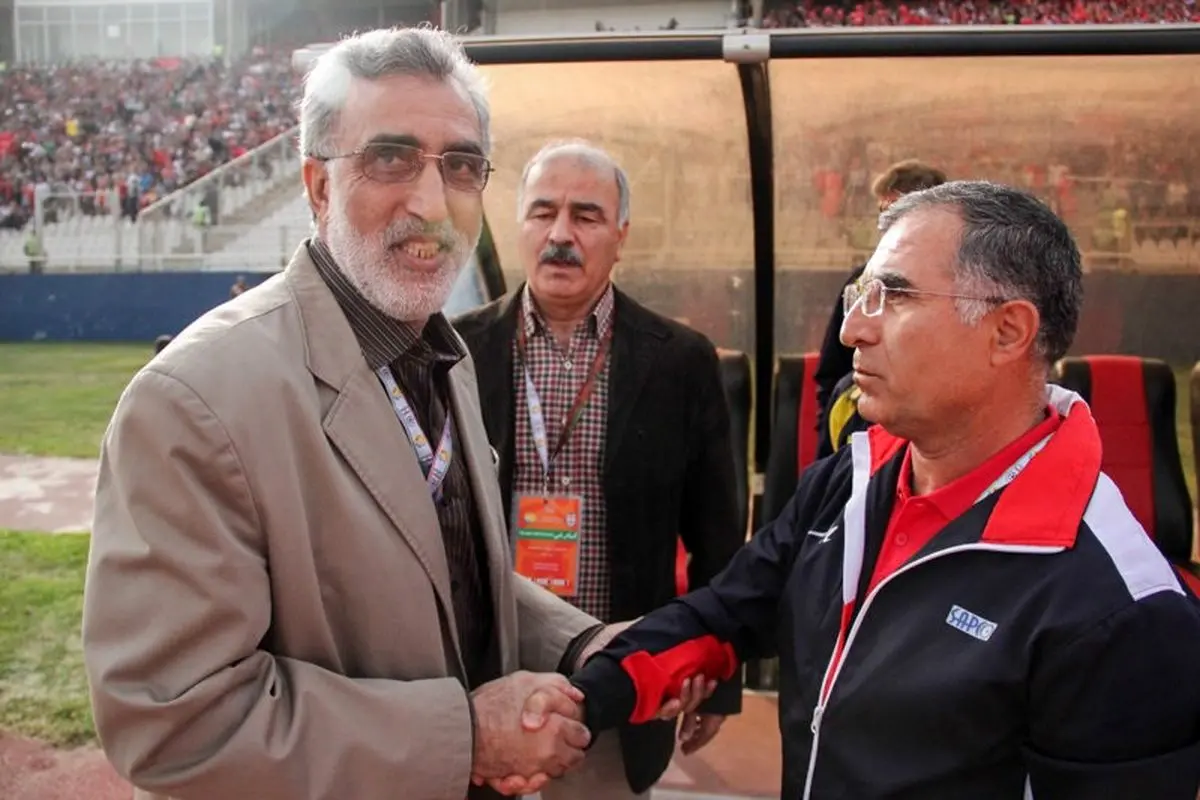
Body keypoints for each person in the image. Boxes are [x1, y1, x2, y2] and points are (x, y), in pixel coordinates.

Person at [82, 27, 624, 800]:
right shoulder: (192, 401)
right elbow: (175, 722)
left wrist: (580, 644)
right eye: (390, 159)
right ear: (318, 186)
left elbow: (443, 577)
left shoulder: (442, 357)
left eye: (460, 166)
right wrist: (465, 738)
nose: (432, 203)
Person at [566, 182, 1200, 798]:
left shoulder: (1122, 611)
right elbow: (729, 613)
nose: (852, 330)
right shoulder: (851, 480)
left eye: (894, 296)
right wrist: (582, 702)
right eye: (860, 295)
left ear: (1008, 332)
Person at [452, 139, 745, 798]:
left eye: (585, 216)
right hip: (480, 679)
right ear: (519, 226)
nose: (560, 234)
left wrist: (720, 675)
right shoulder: (455, 351)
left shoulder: (680, 361)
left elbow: (717, 538)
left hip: (612, 681)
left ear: (621, 235)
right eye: (543, 212)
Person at [813, 159, 947, 459]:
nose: (886, 225)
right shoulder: (859, 282)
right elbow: (831, 373)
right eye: (882, 213)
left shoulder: (959, 287)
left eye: (897, 214)